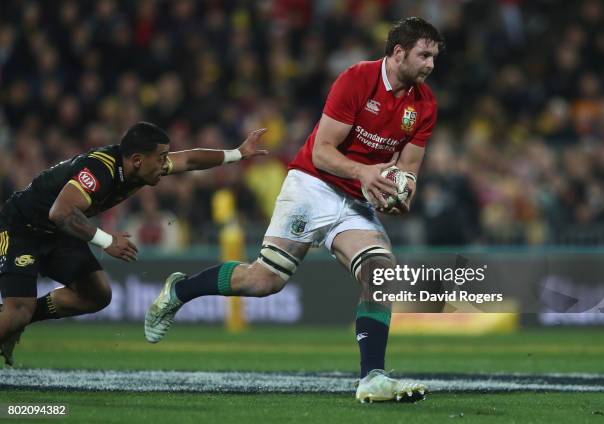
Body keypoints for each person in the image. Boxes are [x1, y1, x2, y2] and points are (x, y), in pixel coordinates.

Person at [145, 17, 443, 403]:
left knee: (381, 273)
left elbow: (409, 171)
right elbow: (322, 152)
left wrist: (402, 196)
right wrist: (365, 172)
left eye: (434, 57)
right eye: (424, 55)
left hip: (357, 200)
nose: (431, 65)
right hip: (313, 185)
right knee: (264, 281)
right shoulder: (356, 79)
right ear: (398, 52)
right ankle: (179, 290)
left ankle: (372, 376)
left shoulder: (425, 104)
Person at [0, 122, 267, 366]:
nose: (165, 165)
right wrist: (106, 240)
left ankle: (19, 320)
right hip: (21, 228)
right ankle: (15, 318)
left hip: (60, 230)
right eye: (161, 158)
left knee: (97, 295)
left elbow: (190, 158)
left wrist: (238, 153)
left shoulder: (139, 167)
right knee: (17, 311)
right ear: (138, 160)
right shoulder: (100, 169)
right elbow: (60, 212)